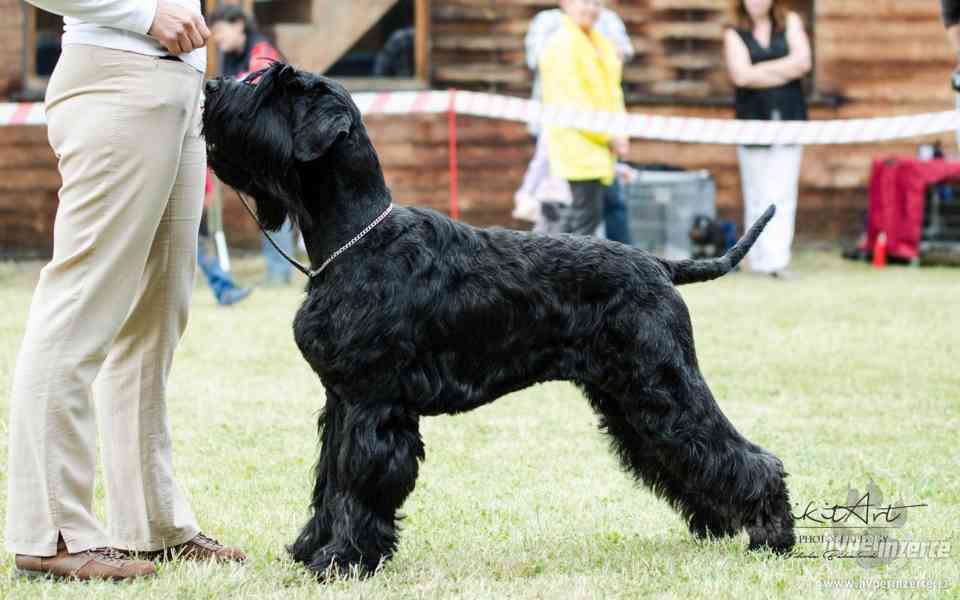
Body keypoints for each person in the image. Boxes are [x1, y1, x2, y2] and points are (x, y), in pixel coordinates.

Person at [6, 0, 246, 582]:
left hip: (178, 86)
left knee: (157, 319)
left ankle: (152, 523)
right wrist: (143, 13)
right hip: (117, 77)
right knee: (80, 307)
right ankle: (52, 531)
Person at [519, 2, 634, 242]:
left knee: (583, 218)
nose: (591, 8)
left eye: (597, 2)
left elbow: (610, 91)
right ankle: (559, 275)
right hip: (577, 145)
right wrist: (610, 135)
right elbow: (573, 100)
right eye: (584, 1)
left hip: (598, 147)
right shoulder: (562, 43)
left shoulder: (597, 41)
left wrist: (619, 132)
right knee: (581, 224)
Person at [723, 0, 811, 279]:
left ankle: (777, 261)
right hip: (752, 122)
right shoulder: (733, 32)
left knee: (783, 194)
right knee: (756, 192)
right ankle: (757, 259)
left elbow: (804, 62)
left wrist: (758, 72)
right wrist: (784, 69)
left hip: (789, 120)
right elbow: (740, 75)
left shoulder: (791, 22)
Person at [209, 5, 294, 287]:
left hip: (280, 144)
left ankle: (280, 273)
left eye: (220, 32)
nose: (217, 39)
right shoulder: (228, 56)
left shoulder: (262, 52)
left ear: (238, 25)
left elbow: (251, 98)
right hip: (259, 146)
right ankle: (278, 271)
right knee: (269, 204)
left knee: (275, 202)